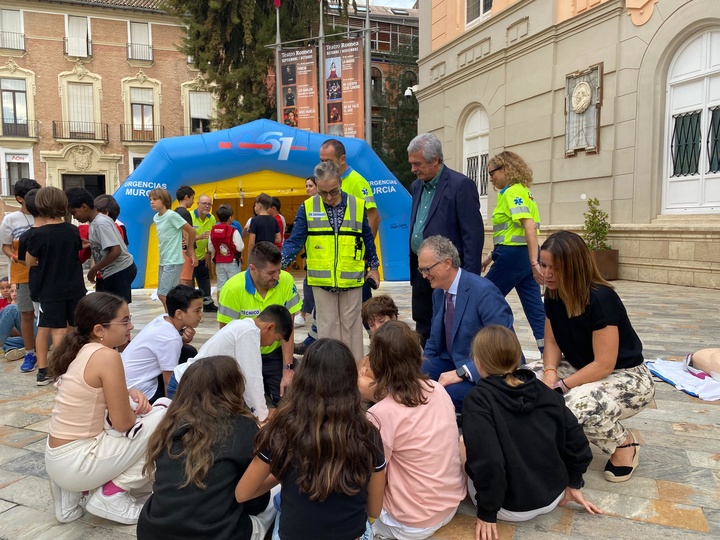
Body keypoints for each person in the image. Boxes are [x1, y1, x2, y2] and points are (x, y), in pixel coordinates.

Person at [532, 231, 655, 483]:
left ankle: (624, 444)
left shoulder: (601, 298)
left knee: (576, 404)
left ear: (574, 267)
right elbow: (552, 341)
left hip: (628, 376)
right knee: (523, 380)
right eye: (543, 265)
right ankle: (552, 439)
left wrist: (562, 386)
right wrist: (549, 374)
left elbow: (604, 363)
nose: (546, 274)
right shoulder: (553, 294)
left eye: (555, 268)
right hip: (583, 366)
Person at [235, 338, 386, 540]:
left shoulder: (283, 428)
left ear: (303, 378)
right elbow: (374, 510)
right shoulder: (368, 433)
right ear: (351, 382)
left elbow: (243, 494)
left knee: (280, 503)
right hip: (351, 535)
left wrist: (283, 474)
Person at [462, 326, 600, 539]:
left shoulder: (478, 399)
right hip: (555, 494)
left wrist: (487, 512)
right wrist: (574, 481)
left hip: (510, 507)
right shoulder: (543, 390)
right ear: (517, 357)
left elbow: (489, 462)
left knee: (462, 441)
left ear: (478, 361)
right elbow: (577, 439)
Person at [45, 293, 166, 525]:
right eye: (125, 321)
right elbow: (123, 423)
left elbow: (91, 400)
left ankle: (70, 496)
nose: (131, 326)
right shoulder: (107, 356)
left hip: (57, 460)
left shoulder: (80, 350)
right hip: (77, 463)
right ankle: (111, 495)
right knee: (164, 416)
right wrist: (138, 409)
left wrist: (127, 395)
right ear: (100, 329)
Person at [138, 356, 277, 540]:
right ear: (235, 387)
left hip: (153, 531)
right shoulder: (242, 426)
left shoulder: (169, 424)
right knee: (276, 494)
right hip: (218, 533)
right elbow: (254, 501)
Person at [367, 321, 465, 539]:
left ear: (377, 363)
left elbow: (373, 473)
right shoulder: (438, 389)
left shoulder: (380, 415)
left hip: (409, 522)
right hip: (450, 504)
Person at [281, 161, 380, 360]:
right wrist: (278, 263)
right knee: (327, 331)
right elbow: (295, 240)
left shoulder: (357, 204)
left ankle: (354, 375)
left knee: (351, 330)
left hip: (351, 279)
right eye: (323, 192)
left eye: (333, 192)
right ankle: (331, 375)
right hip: (321, 281)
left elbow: (367, 238)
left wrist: (374, 266)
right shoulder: (307, 207)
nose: (328, 197)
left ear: (341, 183)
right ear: (316, 186)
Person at [419, 236, 514, 412]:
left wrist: (461, 372)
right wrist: (422, 368)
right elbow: (433, 339)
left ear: (447, 263)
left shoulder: (484, 291)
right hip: (452, 361)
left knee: (445, 393)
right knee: (413, 377)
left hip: (487, 370)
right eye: (421, 270)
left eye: (427, 269)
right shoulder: (439, 293)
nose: (424, 275)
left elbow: (504, 346)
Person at [408, 133, 484, 343]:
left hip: (448, 272)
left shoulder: (461, 186)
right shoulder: (416, 187)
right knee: (423, 322)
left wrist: (469, 279)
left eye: (417, 164)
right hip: (421, 270)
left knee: (449, 323)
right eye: (411, 163)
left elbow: (473, 236)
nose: (413, 169)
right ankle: (426, 367)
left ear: (435, 160)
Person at [168, 305, 292, 424]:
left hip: (194, 386)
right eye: (276, 339)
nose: (271, 344)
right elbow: (252, 379)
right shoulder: (249, 332)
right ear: (270, 327)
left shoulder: (243, 325)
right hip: (186, 388)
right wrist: (262, 414)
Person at [218, 242, 301, 404]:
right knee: (242, 406)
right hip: (243, 356)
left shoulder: (286, 280)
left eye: (279, 270)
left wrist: (287, 369)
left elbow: (287, 332)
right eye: (270, 273)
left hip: (275, 354)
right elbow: (226, 338)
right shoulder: (231, 289)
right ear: (252, 269)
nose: (277, 277)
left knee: (292, 399)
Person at [481, 151, 545, 353]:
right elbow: (511, 233)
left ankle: (509, 352)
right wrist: (490, 258)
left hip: (515, 257)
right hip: (522, 257)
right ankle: (550, 353)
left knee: (484, 298)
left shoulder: (511, 193)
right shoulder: (524, 191)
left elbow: (529, 226)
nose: (490, 177)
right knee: (535, 309)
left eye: (493, 172)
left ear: (506, 169)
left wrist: (535, 263)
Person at [25, 187, 87, 386]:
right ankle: (74, 367)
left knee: (56, 330)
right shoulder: (72, 230)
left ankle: (54, 372)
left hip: (50, 290)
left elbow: (29, 261)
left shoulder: (38, 234)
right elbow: (76, 251)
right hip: (75, 287)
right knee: (74, 328)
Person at [122, 285, 203, 403]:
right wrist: (169, 410)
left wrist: (184, 340)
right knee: (188, 363)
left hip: (127, 381)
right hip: (140, 392)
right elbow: (169, 382)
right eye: (197, 310)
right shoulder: (170, 338)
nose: (201, 315)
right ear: (179, 314)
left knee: (187, 351)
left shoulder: (163, 319)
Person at [66, 188, 137, 303]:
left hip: (119, 270)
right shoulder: (96, 222)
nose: (74, 217)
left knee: (116, 309)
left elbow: (115, 251)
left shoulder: (100, 223)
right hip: (113, 270)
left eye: (74, 212)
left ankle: (124, 321)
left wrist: (94, 269)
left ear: (84, 207)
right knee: (107, 308)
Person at [0, 178, 41, 372]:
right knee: (26, 313)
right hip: (22, 273)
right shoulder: (11, 219)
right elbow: (5, 246)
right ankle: (29, 353)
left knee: (46, 312)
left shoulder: (44, 215)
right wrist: (15, 257)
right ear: (19, 199)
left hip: (44, 272)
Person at [149, 188, 197, 313]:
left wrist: (189, 250)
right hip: (164, 260)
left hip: (173, 259)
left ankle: (173, 319)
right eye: (150, 200)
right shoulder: (156, 217)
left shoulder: (172, 215)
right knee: (169, 293)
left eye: (155, 199)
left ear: (164, 200)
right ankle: (175, 317)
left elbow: (191, 231)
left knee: (163, 294)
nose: (151, 202)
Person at [357, 295, 399, 402]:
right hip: (384, 388)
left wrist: (369, 373)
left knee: (362, 383)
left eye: (382, 321)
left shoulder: (402, 338)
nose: (377, 328)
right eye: (372, 325)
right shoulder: (378, 342)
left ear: (394, 317)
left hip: (401, 389)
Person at [209, 203, 244, 300]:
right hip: (232, 261)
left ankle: (221, 308)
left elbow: (210, 247)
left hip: (219, 262)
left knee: (220, 286)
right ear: (231, 217)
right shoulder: (233, 230)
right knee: (235, 285)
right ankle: (234, 308)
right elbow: (239, 247)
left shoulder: (213, 230)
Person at [192, 194, 219, 312]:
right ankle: (191, 306)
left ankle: (207, 303)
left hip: (203, 255)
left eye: (209, 204)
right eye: (204, 203)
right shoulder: (190, 216)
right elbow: (183, 237)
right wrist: (199, 237)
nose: (207, 206)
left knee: (204, 279)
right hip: (190, 255)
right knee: (189, 282)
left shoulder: (211, 218)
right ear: (198, 204)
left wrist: (209, 253)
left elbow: (212, 238)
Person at [175, 185, 196, 287]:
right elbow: (187, 234)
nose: (193, 202)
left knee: (179, 279)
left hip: (177, 251)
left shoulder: (174, 212)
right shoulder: (185, 213)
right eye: (192, 198)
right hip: (185, 251)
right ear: (186, 197)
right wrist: (192, 254)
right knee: (185, 281)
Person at [0, 278, 25, 360]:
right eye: (12, 291)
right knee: (6, 341)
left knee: (11, 309)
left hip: (38, 336)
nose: (14, 294)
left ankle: (13, 348)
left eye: (16, 291)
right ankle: (12, 349)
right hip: (22, 338)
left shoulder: (27, 303)